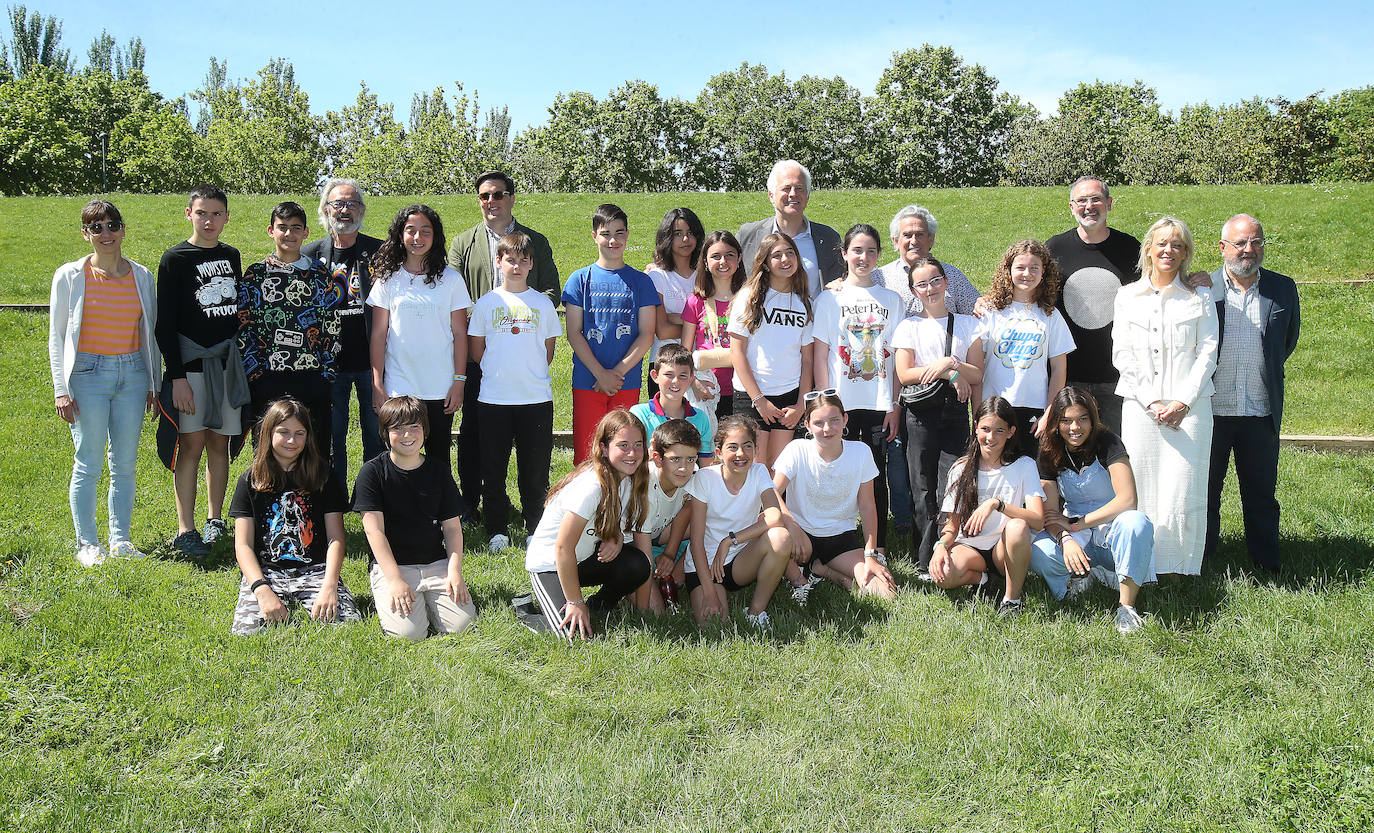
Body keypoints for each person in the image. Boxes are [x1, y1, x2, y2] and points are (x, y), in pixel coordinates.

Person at [49, 199, 160, 566]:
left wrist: (153, 384)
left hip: (132, 375)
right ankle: (87, 544)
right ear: (86, 234)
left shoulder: (141, 276)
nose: (106, 233)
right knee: (88, 461)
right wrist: (61, 390)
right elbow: (57, 335)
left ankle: (121, 540)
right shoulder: (69, 276)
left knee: (125, 463)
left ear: (123, 230)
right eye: (96, 228)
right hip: (86, 375)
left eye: (112, 225)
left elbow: (149, 335)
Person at [448, 171, 560, 514]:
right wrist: (486, 323)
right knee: (473, 434)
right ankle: (471, 502)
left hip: (522, 353)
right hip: (478, 351)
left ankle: (526, 507)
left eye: (498, 195)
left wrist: (521, 314)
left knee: (526, 442)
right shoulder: (463, 243)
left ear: (511, 197)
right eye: (484, 196)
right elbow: (454, 296)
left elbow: (551, 290)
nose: (491, 202)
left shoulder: (535, 242)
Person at [1111, 216, 1218, 577]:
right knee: (1142, 483)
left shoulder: (1200, 297)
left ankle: (1181, 569)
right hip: (1142, 410)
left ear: (1185, 253)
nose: (1168, 250)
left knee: (1184, 488)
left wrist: (1182, 401)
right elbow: (1122, 354)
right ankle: (1142, 565)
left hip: (1191, 410)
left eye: (1177, 244)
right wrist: (1152, 401)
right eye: (1162, 243)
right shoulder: (1127, 297)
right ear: (1148, 250)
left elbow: (1208, 351)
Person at [1205, 214, 1300, 575]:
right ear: (1223, 248)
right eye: (1240, 243)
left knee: (1261, 495)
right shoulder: (1203, 288)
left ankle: (1266, 563)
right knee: (1206, 495)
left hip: (1260, 410)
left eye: (1256, 242)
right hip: (1211, 411)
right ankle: (1203, 561)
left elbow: (1285, 341)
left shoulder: (1283, 288)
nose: (1249, 249)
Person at [155, 184, 245, 558]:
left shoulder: (231, 255)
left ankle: (215, 519)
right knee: (191, 444)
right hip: (191, 369)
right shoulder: (175, 258)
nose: (209, 220)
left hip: (226, 367)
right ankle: (185, 528)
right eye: (202, 213)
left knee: (219, 443)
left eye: (216, 214)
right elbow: (165, 323)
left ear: (226, 217)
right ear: (188, 214)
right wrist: (177, 377)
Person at [228, 398, 360, 635]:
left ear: (308, 437)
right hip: (267, 572)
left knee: (346, 626)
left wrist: (330, 585)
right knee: (246, 632)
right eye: (283, 432)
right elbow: (243, 546)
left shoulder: (324, 476)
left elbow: (336, 539)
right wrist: (261, 590)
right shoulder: (250, 480)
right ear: (268, 433)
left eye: (299, 433)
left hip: (316, 569)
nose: (291, 440)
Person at [811, 224, 904, 555]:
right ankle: (837, 541)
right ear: (845, 254)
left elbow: (895, 358)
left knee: (875, 474)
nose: (863, 257)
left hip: (878, 402)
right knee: (838, 471)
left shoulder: (892, 301)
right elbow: (820, 355)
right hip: (840, 404)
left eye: (871, 251)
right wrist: (825, 404)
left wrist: (894, 405)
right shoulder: (829, 299)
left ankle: (876, 546)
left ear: (879, 255)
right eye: (857, 250)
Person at [1029, 387, 1155, 633]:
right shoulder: (1048, 451)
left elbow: (1128, 500)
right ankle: (1080, 577)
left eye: (1082, 419)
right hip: (1077, 534)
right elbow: (1051, 514)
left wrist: (1076, 524)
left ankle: (1126, 608)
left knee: (1136, 523)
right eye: (1066, 421)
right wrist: (1066, 538)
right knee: (1036, 549)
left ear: (1092, 418)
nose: (1075, 428)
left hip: (1112, 529)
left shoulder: (1108, 442)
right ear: (1056, 422)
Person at [352, 395, 476, 641]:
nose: (407, 435)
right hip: (393, 566)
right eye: (397, 428)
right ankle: (405, 597)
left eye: (413, 427)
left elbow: (452, 528)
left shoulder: (438, 470)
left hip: (435, 563)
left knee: (462, 626)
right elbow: (374, 531)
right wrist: (395, 580)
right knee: (409, 635)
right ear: (385, 433)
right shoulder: (372, 473)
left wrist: (454, 571)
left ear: (425, 431)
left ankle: (432, 600)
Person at [467, 231, 561, 551]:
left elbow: (548, 351)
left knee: (534, 472)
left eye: (523, 260)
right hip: (493, 400)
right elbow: (477, 350)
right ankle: (497, 529)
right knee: (493, 470)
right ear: (499, 262)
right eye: (510, 260)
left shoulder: (543, 304)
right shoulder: (486, 303)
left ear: (532, 264)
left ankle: (535, 525)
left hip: (535, 400)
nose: (517, 266)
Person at [524, 410, 652, 641]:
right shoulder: (591, 486)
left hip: (582, 559)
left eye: (638, 444)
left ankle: (598, 605)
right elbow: (563, 547)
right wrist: (574, 602)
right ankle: (524, 612)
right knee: (571, 636)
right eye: (623, 445)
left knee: (638, 564)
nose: (632, 453)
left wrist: (617, 538)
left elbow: (618, 525)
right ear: (604, 448)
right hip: (552, 563)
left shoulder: (628, 478)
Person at [892, 257, 984, 575]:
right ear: (913, 291)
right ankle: (923, 560)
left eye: (934, 280)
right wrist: (949, 371)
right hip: (919, 414)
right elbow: (905, 374)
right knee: (922, 485)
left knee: (953, 483)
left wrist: (952, 365)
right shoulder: (909, 326)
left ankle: (948, 552)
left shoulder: (968, 324)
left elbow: (977, 372)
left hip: (956, 414)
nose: (929, 288)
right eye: (921, 284)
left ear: (946, 282)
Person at [367, 204, 473, 471]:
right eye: (411, 231)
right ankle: (400, 512)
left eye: (425, 231)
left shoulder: (451, 279)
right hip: (398, 386)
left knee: (438, 458)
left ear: (435, 236)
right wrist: (378, 385)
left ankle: (442, 513)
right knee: (399, 458)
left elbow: (460, 334)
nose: (417, 238)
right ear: (400, 235)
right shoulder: (387, 279)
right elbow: (379, 335)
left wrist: (459, 382)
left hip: (440, 386)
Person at [237, 201, 343, 459]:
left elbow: (332, 326)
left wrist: (326, 372)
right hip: (269, 377)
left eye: (296, 228)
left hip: (312, 377)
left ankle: (313, 501)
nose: (289, 234)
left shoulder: (320, 274)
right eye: (282, 227)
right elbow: (243, 327)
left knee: (314, 454)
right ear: (271, 230)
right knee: (268, 454)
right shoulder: (256, 275)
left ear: (306, 233)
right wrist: (256, 375)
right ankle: (267, 499)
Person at [773, 392, 897, 600]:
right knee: (771, 532)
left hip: (839, 538)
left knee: (886, 594)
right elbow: (771, 493)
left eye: (834, 420)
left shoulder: (861, 452)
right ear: (807, 425)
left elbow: (867, 506)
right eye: (819, 423)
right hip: (800, 538)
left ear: (845, 419)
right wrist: (792, 526)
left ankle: (822, 569)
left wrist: (870, 555)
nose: (827, 429)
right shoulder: (796, 449)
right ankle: (799, 575)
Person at [931, 396, 1045, 617]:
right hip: (970, 548)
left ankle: (1012, 600)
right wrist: (940, 546)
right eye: (985, 429)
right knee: (941, 574)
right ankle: (983, 580)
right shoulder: (960, 468)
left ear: (1011, 431)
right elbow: (951, 524)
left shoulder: (1025, 466)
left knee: (1018, 526)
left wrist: (996, 504)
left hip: (1004, 550)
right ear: (975, 428)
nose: (990, 437)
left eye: (999, 431)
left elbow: (1038, 520)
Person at [302, 178, 384, 488]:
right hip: (328, 364)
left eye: (352, 204)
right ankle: (334, 500)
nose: (345, 210)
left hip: (371, 361)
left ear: (362, 210)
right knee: (330, 437)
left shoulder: (379, 252)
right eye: (338, 203)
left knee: (375, 435)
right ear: (325, 210)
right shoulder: (309, 255)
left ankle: (372, 498)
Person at [562, 203, 658, 464]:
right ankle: (588, 506)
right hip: (587, 379)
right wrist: (600, 373)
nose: (613, 240)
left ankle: (621, 504)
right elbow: (574, 333)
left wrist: (616, 373)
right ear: (595, 236)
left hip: (625, 382)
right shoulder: (579, 280)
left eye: (619, 233)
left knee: (624, 451)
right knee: (587, 453)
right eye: (606, 233)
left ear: (627, 235)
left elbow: (647, 334)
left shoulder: (641, 282)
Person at [1045, 177, 1141, 434]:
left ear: (1109, 203)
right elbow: (1031, 293)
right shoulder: (1054, 249)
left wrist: (1191, 281)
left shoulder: (1131, 249)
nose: (1089, 206)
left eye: (1096, 199)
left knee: (1116, 454)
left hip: (1117, 377)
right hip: (1068, 376)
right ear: (1071, 207)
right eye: (1082, 200)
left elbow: (1158, 288)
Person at [684, 415, 798, 630]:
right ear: (718, 452)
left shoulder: (759, 471)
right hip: (706, 566)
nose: (740, 454)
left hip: (739, 562)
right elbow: (696, 541)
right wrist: (709, 593)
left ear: (755, 450)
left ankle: (755, 612)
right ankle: (709, 591)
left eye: (747, 446)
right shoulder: (704, 479)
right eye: (732, 447)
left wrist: (729, 540)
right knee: (715, 627)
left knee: (780, 537)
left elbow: (774, 516)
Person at [976, 240, 1075, 457]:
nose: (1026, 273)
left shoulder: (1050, 315)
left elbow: (1059, 368)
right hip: (995, 407)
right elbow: (977, 366)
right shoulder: (990, 312)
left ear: (1044, 273)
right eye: (1020, 267)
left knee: (1032, 474)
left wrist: (1049, 412)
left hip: (1034, 409)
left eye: (1034, 268)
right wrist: (977, 413)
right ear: (1008, 270)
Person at [728, 232, 814, 469]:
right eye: (777, 255)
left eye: (790, 253)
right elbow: (737, 352)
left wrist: (801, 405)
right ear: (764, 262)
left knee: (778, 470)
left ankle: (775, 509)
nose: (785, 259)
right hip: (753, 395)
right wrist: (759, 400)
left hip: (788, 396)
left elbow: (807, 360)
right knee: (755, 469)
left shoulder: (803, 302)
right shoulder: (749, 297)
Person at [737, 160, 843, 298]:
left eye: (800, 188)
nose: (793, 194)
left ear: (808, 195)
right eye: (786, 188)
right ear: (771, 195)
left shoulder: (829, 238)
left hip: (815, 318)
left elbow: (843, 281)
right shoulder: (748, 235)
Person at [680, 230, 747, 432]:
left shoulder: (750, 299)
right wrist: (694, 383)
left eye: (729, 255)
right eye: (715, 256)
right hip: (706, 389)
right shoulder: (696, 301)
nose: (723, 261)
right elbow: (684, 352)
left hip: (743, 389)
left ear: (739, 258)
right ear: (706, 262)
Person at [633, 419, 701, 614]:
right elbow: (642, 551)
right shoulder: (645, 490)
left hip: (658, 530)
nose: (683, 468)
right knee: (655, 612)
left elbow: (687, 506)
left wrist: (670, 554)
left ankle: (678, 575)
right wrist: (645, 610)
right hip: (626, 542)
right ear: (657, 458)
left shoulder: (690, 477)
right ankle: (615, 591)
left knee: (710, 522)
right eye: (675, 459)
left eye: (690, 459)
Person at [871, 205, 981, 316]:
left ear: (931, 240)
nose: (913, 241)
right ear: (896, 241)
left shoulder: (952, 275)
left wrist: (982, 305)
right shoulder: (880, 278)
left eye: (919, 235)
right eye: (907, 235)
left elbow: (978, 314)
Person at [645, 207, 705, 395]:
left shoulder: (705, 275)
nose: (685, 240)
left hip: (700, 366)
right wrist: (696, 325)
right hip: (664, 366)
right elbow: (662, 331)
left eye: (690, 233)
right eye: (678, 234)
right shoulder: (657, 276)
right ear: (667, 238)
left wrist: (677, 318)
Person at [630, 344, 714, 464]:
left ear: (691, 379)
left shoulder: (700, 418)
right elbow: (630, 458)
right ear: (655, 376)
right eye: (669, 374)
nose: (675, 381)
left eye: (683, 376)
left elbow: (705, 465)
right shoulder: (639, 415)